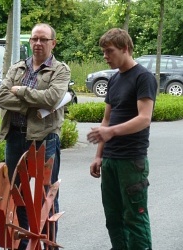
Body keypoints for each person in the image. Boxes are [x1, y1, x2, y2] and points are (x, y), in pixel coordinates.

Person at [0, 23, 70, 250]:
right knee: (17, 193)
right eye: (34, 39)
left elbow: (52, 98)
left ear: (53, 43)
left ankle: (48, 243)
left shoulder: (60, 70)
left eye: (43, 40)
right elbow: (1, 97)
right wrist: (32, 103)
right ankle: (25, 242)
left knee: (45, 195)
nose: (38, 43)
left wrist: (20, 92)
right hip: (15, 139)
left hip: (44, 139)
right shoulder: (17, 68)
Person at [87, 28, 157, 250]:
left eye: (109, 51)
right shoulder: (115, 79)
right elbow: (106, 121)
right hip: (110, 160)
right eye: (104, 52)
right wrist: (98, 156)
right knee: (114, 218)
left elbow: (144, 118)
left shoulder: (143, 77)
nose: (105, 56)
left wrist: (112, 132)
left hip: (131, 161)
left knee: (135, 219)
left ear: (125, 48)